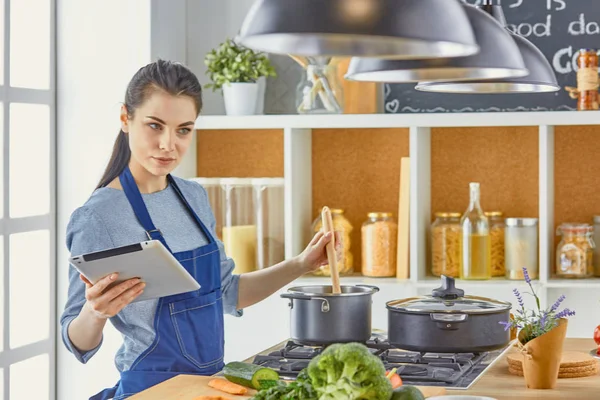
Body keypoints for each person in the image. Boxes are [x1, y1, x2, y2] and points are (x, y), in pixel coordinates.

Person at [60, 59, 339, 400]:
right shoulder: (98, 217)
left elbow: (227, 293)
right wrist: (96, 311)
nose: (168, 144)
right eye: (154, 126)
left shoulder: (193, 197)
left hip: (210, 388)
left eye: (183, 129)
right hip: (151, 392)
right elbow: (76, 341)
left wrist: (302, 264)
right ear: (124, 119)